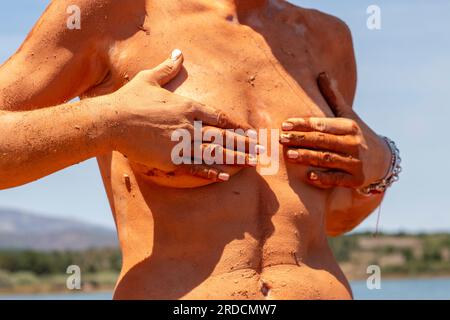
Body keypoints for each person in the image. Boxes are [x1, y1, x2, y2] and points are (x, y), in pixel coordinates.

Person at [0, 0, 400, 299]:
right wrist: (108, 122)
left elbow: (330, 221)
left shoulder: (327, 38)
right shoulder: (113, 13)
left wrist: (380, 164)